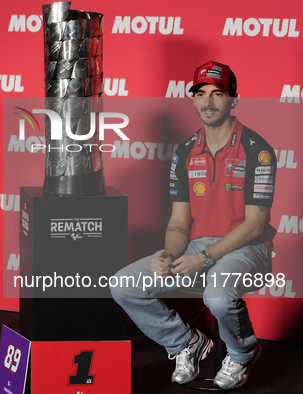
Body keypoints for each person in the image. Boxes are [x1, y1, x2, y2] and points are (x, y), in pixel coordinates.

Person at [111, 60, 276, 390]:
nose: (208, 101)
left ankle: (243, 353)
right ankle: (186, 342)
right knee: (123, 284)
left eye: (218, 93)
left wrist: (204, 259)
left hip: (247, 249)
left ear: (233, 99)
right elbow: (179, 219)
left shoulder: (258, 150)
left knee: (217, 295)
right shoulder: (185, 152)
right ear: (193, 99)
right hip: (196, 247)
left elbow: (257, 224)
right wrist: (169, 254)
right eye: (201, 93)